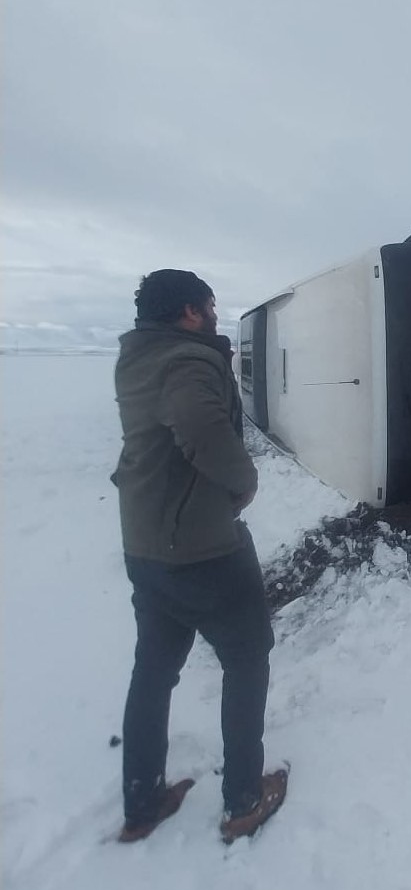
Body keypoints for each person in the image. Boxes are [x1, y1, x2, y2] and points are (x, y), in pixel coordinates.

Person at [112, 269, 287, 844]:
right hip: (203, 549)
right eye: (209, 305)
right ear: (190, 312)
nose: (215, 313)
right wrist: (242, 482)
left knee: (154, 671)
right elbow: (197, 423)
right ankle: (242, 800)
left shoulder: (139, 356)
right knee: (247, 658)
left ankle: (142, 802)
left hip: (147, 547)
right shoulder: (186, 361)